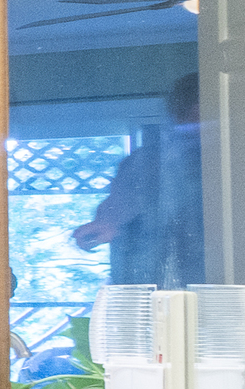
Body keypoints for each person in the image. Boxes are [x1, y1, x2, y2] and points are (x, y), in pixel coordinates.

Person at [73, 74, 204, 287]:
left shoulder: (239, 160)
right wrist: (107, 223)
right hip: (155, 285)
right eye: (187, 116)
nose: (193, 126)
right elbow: (117, 207)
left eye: (200, 116)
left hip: (219, 279)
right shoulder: (145, 161)